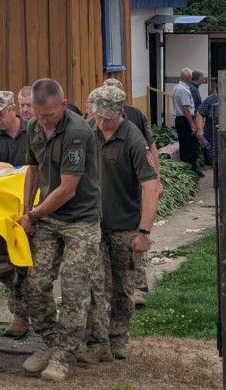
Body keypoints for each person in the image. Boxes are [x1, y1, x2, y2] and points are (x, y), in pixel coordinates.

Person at [19, 78, 101, 382]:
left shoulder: (78, 132)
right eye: (38, 115)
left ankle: (64, 356)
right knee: (36, 283)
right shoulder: (34, 127)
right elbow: (32, 170)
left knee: (74, 288)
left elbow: (67, 189)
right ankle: (51, 342)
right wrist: (26, 212)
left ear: (63, 105)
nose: (43, 121)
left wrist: (34, 214)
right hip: (47, 217)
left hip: (80, 219)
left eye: (50, 115)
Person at [80, 84, 158, 363]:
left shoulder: (133, 139)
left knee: (123, 285)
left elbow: (151, 186)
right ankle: (97, 339)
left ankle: (119, 336)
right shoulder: (87, 131)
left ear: (120, 112)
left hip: (124, 223)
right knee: (93, 282)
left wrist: (144, 231)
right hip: (92, 222)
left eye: (107, 117)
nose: (101, 122)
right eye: (98, 115)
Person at [103, 78, 163, 306]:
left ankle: (137, 284)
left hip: (136, 180)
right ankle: (115, 287)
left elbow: (151, 146)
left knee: (135, 230)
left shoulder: (135, 115)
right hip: (111, 183)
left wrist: (156, 179)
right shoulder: (98, 119)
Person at [0, 90, 30, 336]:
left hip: (33, 201)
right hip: (4, 204)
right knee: (4, 263)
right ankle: (18, 306)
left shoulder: (34, 130)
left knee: (29, 264)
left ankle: (25, 315)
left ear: (13, 109)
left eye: (0, 114)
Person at [171, 68, 204, 177]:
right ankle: (190, 169)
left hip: (180, 119)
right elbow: (186, 109)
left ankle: (188, 167)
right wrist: (192, 125)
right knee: (188, 146)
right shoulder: (183, 90)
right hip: (185, 119)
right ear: (188, 78)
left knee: (185, 144)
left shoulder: (177, 87)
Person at [198, 86, 218, 166]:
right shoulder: (210, 99)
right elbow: (200, 113)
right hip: (211, 132)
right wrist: (200, 129)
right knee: (212, 154)